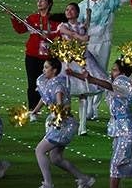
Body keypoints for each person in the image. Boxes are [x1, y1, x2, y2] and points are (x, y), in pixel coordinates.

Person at [66, 61, 132, 188]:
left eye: (115, 70)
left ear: (122, 72)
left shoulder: (124, 82)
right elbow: (98, 82)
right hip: (121, 129)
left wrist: (91, 78)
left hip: (126, 130)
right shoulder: (117, 82)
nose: (112, 72)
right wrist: (74, 74)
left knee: (116, 164)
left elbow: (107, 85)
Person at [31, 57, 94, 188]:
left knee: (39, 150)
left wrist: (57, 114)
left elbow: (59, 102)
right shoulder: (49, 82)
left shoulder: (58, 85)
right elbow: (44, 98)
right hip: (62, 124)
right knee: (56, 158)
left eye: (46, 67)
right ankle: (84, 179)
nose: (43, 70)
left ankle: (48, 184)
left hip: (63, 125)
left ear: (54, 70)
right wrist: (34, 111)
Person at [78, 0, 130, 121]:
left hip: (103, 43)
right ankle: (88, 107)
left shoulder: (108, 2)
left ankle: (94, 107)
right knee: (88, 73)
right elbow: (77, 27)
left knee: (100, 73)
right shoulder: (82, 6)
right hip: (88, 44)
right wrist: (86, 20)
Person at [55, 1, 107, 136]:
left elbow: (86, 28)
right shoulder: (63, 26)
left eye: (72, 9)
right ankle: (64, 121)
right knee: (65, 92)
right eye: (67, 9)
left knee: (83, 93)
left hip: (83, 60)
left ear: (77, 13)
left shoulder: (82, 25)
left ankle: (82, 126)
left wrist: (88, 17)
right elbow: (73, 35)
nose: (69, 11)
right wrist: (82, 37)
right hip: (69, 61)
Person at [9, 0, 59, 110]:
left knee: (47, 83)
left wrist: (49, 36)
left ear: (49, 4)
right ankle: (33, 109)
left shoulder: (55, 20)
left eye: (43, 0)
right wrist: (13, 18)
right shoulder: (32, 18)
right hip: (32, 55)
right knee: (32, 83)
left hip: (47, 57)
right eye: (38, 0)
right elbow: (20, 29)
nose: (39, 2)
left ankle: (51, 106)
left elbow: (60, 35)